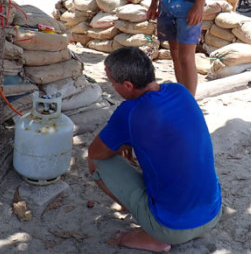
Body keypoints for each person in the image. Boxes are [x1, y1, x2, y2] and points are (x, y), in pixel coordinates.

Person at [88, 47, 222, 252]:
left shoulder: (130, 111)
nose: (112, 87)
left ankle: (152, 233)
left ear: (127, 85)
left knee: (96, 163)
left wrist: (121, 144)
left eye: (112, 82)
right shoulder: (181, 91)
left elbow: (96, 153)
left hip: (171, 228)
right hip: (213, 213)